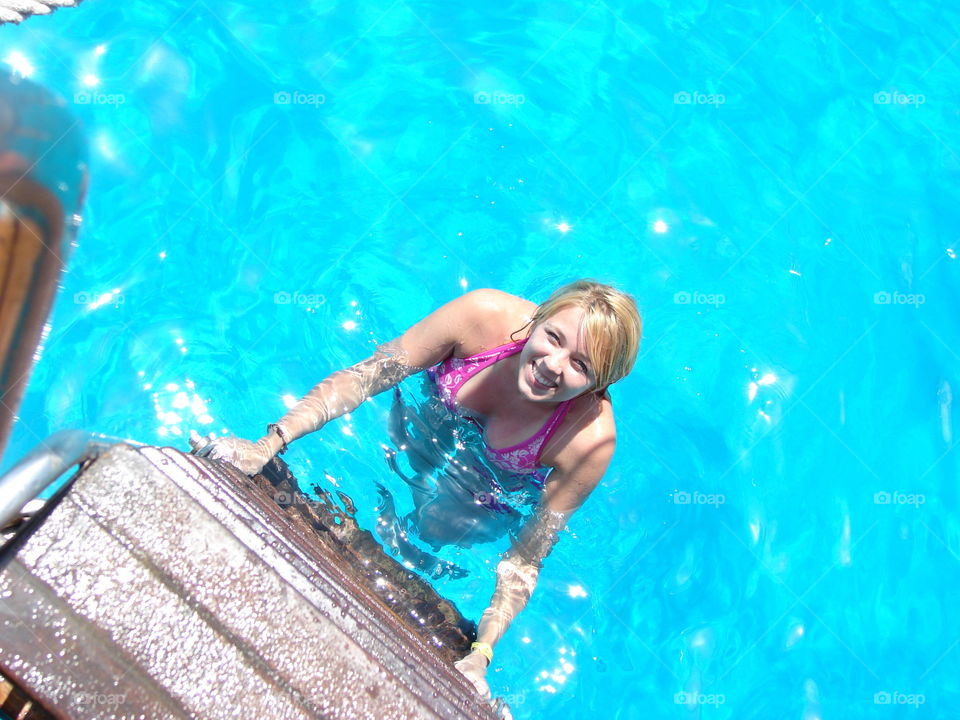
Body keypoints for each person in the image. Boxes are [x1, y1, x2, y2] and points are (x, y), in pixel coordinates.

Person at [201, 279, 642, 700]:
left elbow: (529, 554)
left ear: (600, 384)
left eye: (581, 364)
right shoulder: (481, 317)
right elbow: (368, 376)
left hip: (493, 481)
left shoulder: (588, 439)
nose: (552, 364)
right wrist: (266, 445)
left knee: (434, 533)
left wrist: (481, 654)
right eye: (553, 337)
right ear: (539, 318)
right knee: (405, 460)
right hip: (435, 413)